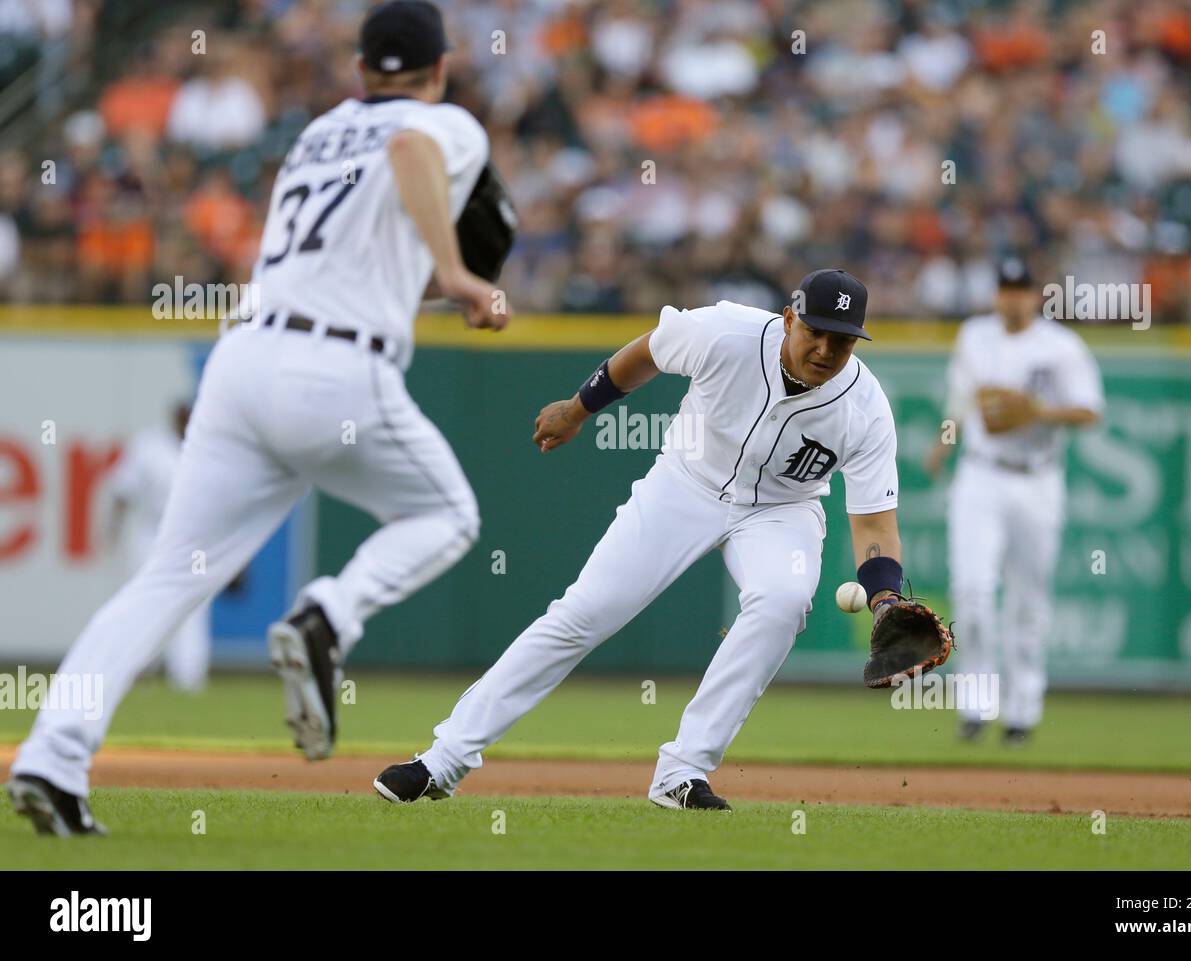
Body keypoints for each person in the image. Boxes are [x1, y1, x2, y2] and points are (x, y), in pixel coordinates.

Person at [8, 0, 508, 836]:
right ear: (440, 68)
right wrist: (457, 274)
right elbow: (410, 145)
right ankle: (330, 615)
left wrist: (433, 278)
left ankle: (51, 757)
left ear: (359, 70)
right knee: (448, 515)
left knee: (167, 575)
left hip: (246, 361)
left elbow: (356, 253)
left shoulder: (317, 133)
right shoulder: (440, 123)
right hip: (340, 368)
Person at [374, 268, 902, 811]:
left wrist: (887, 598)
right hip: (685, 483)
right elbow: (647, 352)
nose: (823, 348)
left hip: (782, 510)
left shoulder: (864, 407)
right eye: (814, 330)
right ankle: (444, 760)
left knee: (783, 601)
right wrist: (578, 410)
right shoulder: (724, 332)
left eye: (840, 340)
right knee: (585, 612)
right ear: (789, 318)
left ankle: (683, 772)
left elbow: (874, 523)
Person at [924, 257, 1103, 745]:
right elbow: (960, 401)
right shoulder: (973, 336)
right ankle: (976, 706)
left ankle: (1022, 710)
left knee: (1028, 597)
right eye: (1005, 288)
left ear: (1036, 295)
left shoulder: (1061, 346)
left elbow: (1091, 411)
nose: (1012, 297)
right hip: (980, 474)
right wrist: (944, 442)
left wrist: (1039, 411)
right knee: (973, 591)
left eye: (1021, 289)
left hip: (1037, 480)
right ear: (996, 294)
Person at [105, 402, 210, 692]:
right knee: (144, 599)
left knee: (191, 604)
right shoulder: (148, 445)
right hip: (150, 533)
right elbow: (122, 491)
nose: (186, 422)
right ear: (174, 419)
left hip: (191, 537)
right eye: (182, 417)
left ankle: (188, 676)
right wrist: (112, 531)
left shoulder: (210, 445)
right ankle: (138, 669)